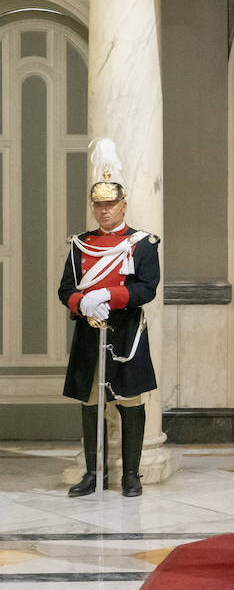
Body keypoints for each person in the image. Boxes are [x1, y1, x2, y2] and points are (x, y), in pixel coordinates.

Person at [57, 138, 161, 498]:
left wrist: (110, 296)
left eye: (110, 204)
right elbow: (65, 289)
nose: (104, 211)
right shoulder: (80, 244)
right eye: (98, 205)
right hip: (89, 332)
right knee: (91, 401)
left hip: (126, 331)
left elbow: (147, 288)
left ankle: (131, 474)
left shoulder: (143, 243)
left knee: (130, 401)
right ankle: (93, 473)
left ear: (123, 205)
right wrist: (82, 303)